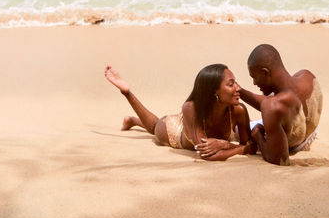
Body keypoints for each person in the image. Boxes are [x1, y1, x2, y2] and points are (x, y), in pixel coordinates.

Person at [104, 63, 252, 161]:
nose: (238, 88)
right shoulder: (190, 107)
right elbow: (206, 154)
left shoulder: (239, 110)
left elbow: (248, 146)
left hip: (195, 125)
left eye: (236, 82)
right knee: (155, 126)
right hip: (175, 130)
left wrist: (224, 145)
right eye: (231, 84)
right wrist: (233, 147)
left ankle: (132, 120)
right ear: (214, 91)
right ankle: (130, 104)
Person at [238, 43, 323, 165]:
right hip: (309, 135)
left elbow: (278, 159)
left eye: (255, 77)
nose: (254, 83)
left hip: (289, 144)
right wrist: (241, 92)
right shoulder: (307, 76)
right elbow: (282, 104)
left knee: (238, 128)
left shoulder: (271, 106)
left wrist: (257, 135)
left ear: (265, 72)